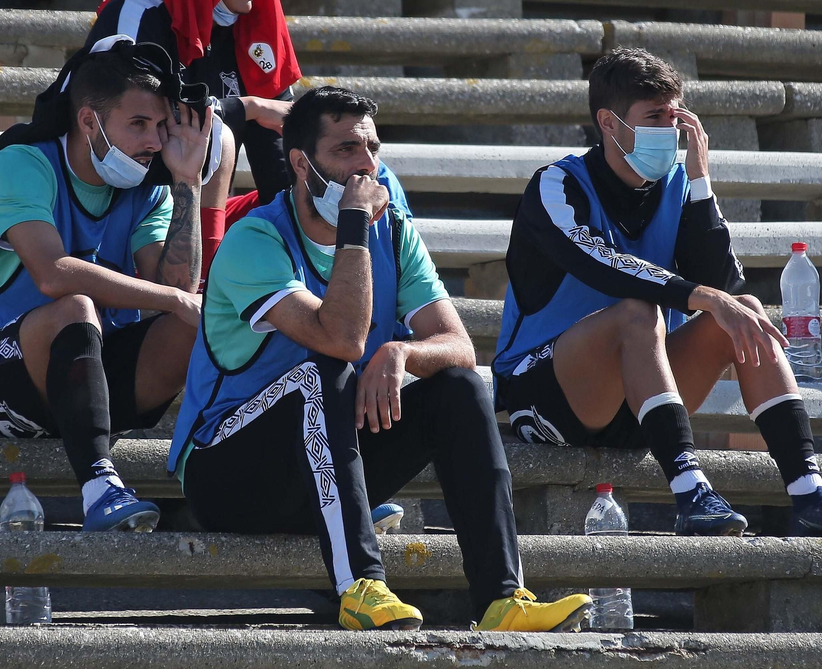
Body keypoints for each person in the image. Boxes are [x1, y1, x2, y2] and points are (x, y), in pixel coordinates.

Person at [169, 86, 591, 632]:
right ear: (301, 164)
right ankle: (360, 586)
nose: (366, 165)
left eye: (372, 147)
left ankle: (502, 598)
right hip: (229, 472)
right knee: (324, 371)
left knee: (460, 386)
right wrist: (352, 229)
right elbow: (341, 338)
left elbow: (459, 345)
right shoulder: (256, 240)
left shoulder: (393, 231)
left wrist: (401, 352)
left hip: (324, 466)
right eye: (345, 150)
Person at [492, 49, 822, 539]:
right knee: (636, 313)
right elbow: (602, 265)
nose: (670, 129)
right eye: (654, 117)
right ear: (609, 122)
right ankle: (690, 493)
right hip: (547, 394)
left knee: (743, 311)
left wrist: (700, 179)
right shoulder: (557, 184)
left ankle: (811, 496)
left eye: (676, 115)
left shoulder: (679, 185)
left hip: (642, 402)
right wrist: (702, 297)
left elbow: (725, 286)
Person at [0, 41, 212, 532]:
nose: (155, 142)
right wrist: (176, 299)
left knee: (203, 326)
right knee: (75, 305)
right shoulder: (22, 164)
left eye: (161, 126)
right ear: (89, 122)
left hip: (89, 379)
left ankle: (256, 469)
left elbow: (176, 286)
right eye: (139, 125)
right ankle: (100, 486)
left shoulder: (149, 189)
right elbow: (52, 273)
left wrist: (188, 181)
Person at [80, 0, 302, 277]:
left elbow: (281, 160)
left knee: (356, 171)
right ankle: (205, 289)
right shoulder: (138, 12)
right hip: (121, 196)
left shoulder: (254, 30)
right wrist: (246, 107)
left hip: (195, 203)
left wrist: (304, 221)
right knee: (213, 134)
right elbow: (136, 118)